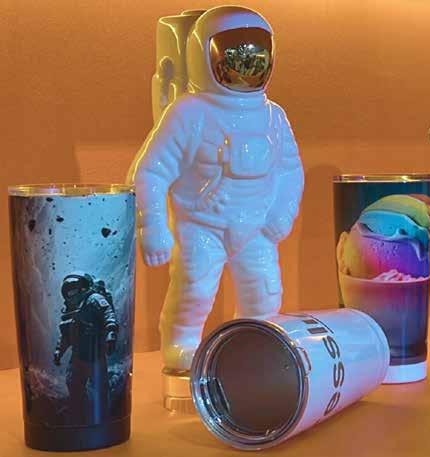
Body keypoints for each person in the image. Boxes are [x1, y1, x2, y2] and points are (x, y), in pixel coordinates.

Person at [128, 6, 304, 372]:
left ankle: (253, 346)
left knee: (264, 293)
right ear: (203, 56)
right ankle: (181, 345)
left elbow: (290, 170)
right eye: (235, 59)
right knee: (195, 289)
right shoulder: (189, 113)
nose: (245, 69)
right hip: (202, 225)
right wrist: (152, 226)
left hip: (257, 227)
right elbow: (150, 172)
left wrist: (282, 214)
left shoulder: (273, 116)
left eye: (254, 59)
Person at [54, 273, 118, 423]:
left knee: (100, 388)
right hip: (78, 356)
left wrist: (111, 332)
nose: (71, 295)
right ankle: (78, 417)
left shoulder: (94, 299)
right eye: (68, 292)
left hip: (95, 354)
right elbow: (66, 336)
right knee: (74, 386)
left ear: (82, 287)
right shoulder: (71, 309)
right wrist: (59, 351)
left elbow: (108, 313)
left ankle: (103, 417)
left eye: (73, 290)